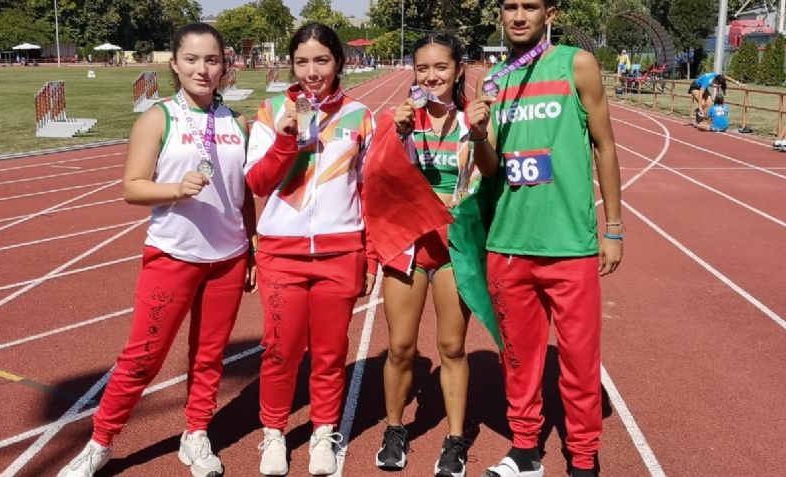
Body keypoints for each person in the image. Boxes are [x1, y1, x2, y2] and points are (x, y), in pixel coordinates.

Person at [57, 23, 255, 477]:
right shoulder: (157, 117)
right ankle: (100, 442)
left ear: (225, 65)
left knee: (209, 355)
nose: (202, 69)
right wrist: (174, 189)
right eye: (192, 59)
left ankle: (196, 434)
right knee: (143, 356)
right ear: (174, 64)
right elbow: (131, 188)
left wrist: (253, 244)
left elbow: (244, 193)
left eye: (212, 60)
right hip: (173, 256)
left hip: (227, 259)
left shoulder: (236, 121)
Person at [470, 0, 623, 476]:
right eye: (510, 6)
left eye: (529, 6)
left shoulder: (575, 64)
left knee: (579, 364)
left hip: (568, 246)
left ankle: (582, 457)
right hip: (509, 244)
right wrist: (477, 136)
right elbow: (492, 168)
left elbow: (605, 144)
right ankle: (525, 449)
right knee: (518, 361)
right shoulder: (492, 80)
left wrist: (613, 228)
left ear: (549, 12)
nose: (519, 16)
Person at [244, 22, 377, 477]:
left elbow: (370, 192)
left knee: (329, 351)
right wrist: (285, 137)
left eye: (321, 60)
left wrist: (370, 255)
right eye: (302, 61)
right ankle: (275, 433)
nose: (312, 70)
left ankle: (323, 431)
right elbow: (258, 183)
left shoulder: (361, 117)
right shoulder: (270, 111)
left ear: (339, 61)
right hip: (282, 252)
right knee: (280, 349)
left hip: (341, 253)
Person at [369, 32, 478, 477]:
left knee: (452, 347)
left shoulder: (475, 120)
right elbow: (376, 179)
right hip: (407, 245)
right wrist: (394, 133)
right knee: (399, 347)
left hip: (453, 245)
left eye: (441, 68)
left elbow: (488, 180)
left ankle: (455, 439)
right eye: (422, 68)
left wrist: (464, 199)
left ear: (458, 71)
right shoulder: (399, 120)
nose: (431, 77)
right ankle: (395, 429)